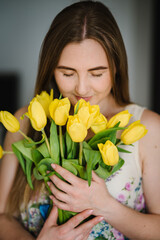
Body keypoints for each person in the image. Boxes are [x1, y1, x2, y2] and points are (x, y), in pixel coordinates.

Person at [0, 1, 160, 239]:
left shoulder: (147, 127)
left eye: (96, 73)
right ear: (51, 69)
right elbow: (2, 216)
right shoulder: (27, 121)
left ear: (116, 67)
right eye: (67, 73)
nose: (82, 89)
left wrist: (104, 204)